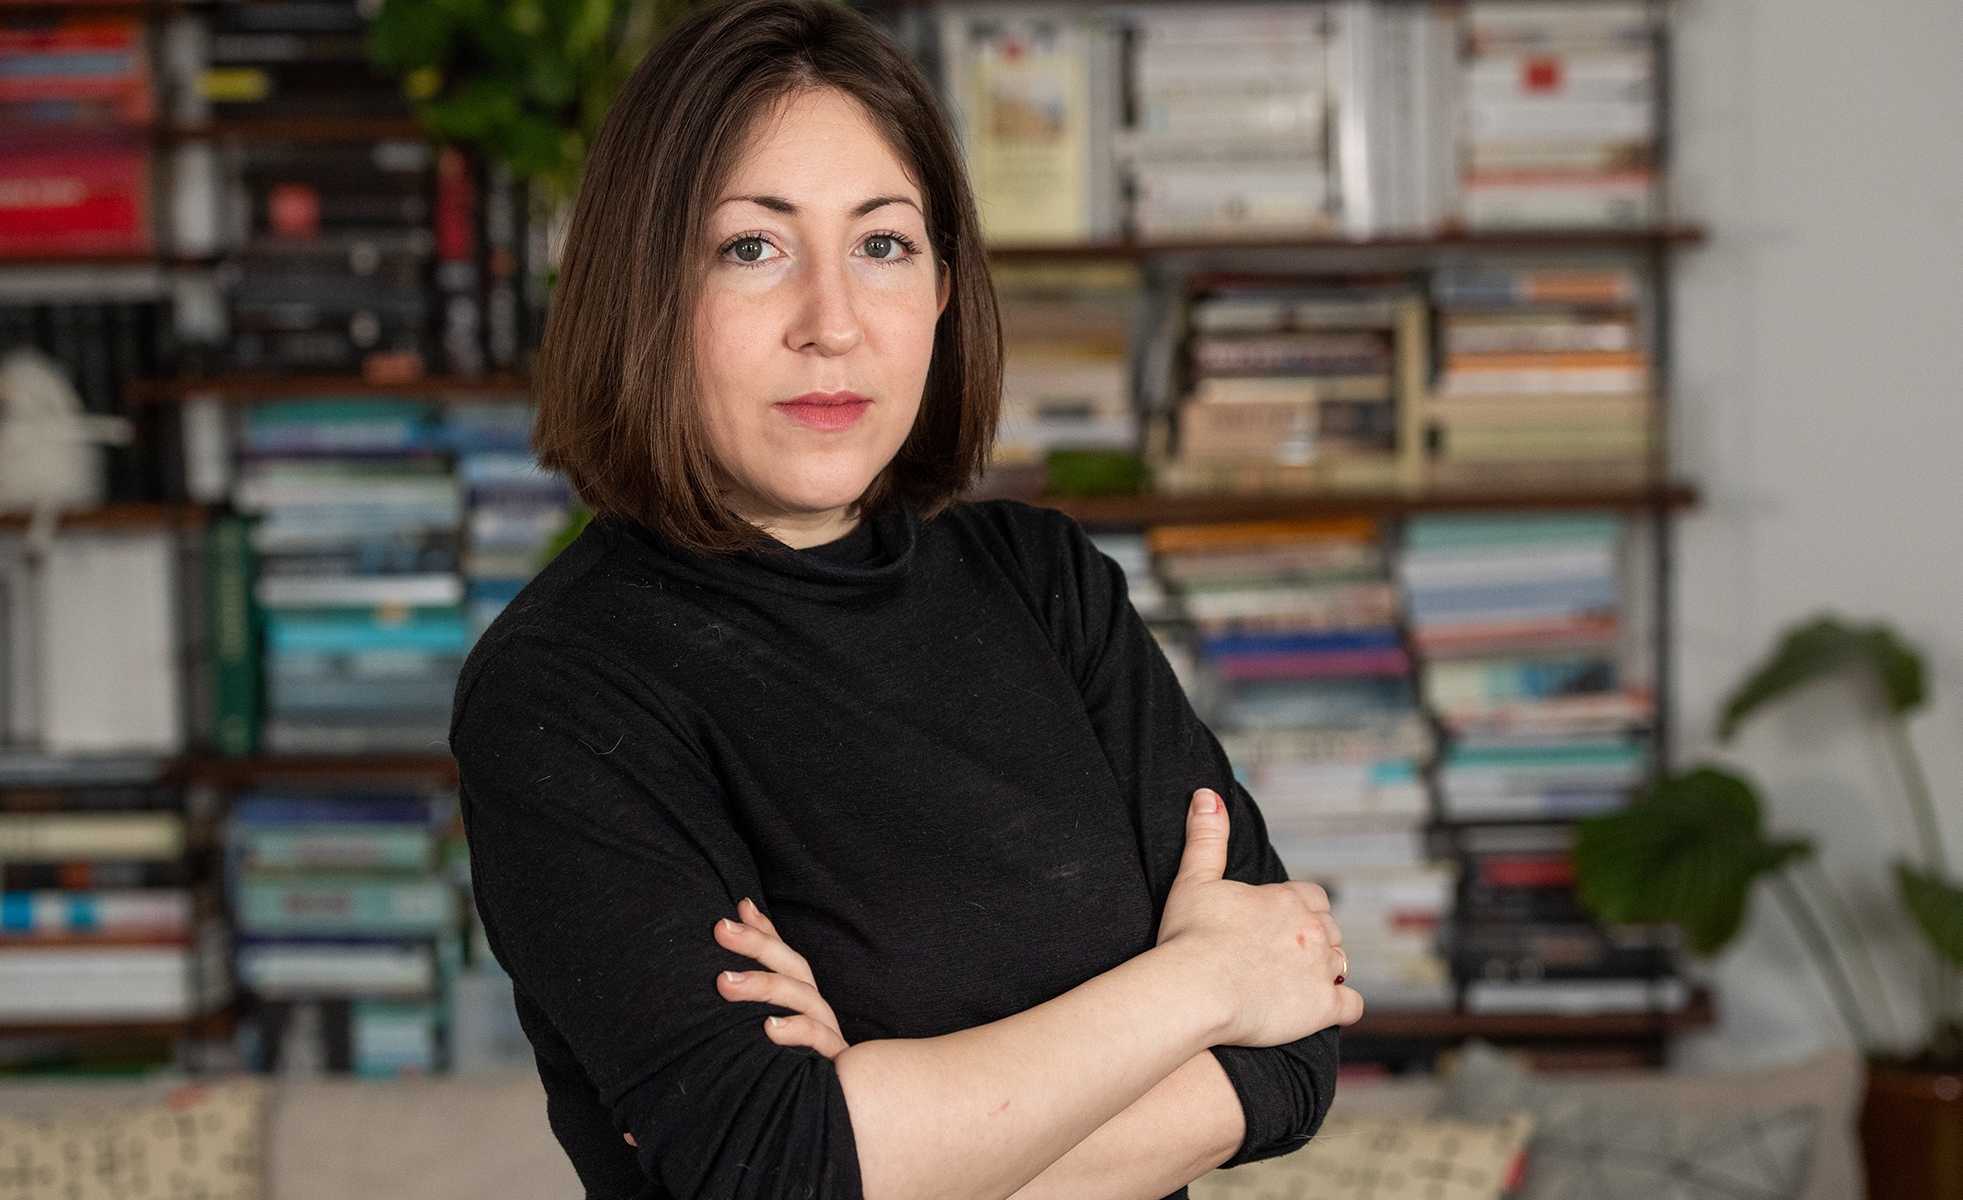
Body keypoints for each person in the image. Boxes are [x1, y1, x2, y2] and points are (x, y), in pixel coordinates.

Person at [450, 2, 1361, 1198]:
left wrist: (892, 1136)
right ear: (646, 291)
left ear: (943, 286)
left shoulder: (1048, 588)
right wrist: (1199, 984)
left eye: (882, 245)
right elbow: (771, 1165)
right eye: (751, 247)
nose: (833, 325)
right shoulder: (561, 691)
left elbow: (1296, 1044)